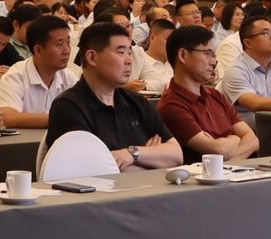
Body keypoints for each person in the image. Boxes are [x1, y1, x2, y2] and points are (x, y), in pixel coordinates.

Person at [45, 23, 184, 171]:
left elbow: (176, 155)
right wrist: (152, 157)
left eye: (129, 53)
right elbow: (92, 170)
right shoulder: (68, 107)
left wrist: (133, 154)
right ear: (92, 57)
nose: (129, 60)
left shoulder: (137, 102)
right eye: (121, 52)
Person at [157, 23, 262, 164]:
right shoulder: (171, 106)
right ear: (183, 55)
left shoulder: (216, 95)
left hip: (237, 172)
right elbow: (218, 150)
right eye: (207, 54)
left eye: (213, 55)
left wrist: (224, 159)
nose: (214, 62)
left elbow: (253, 140)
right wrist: (235, 138)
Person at [0, 16, 76, 129]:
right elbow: (9, 118)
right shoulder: (15, 76)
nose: (67, 50)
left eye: (68, 42)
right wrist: (63, 119)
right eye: (60, 44)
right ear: (38, 50)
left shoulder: (68, 77)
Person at [132, 18, 176, 92]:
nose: (172, 44)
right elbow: (131, 86)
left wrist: (145, 85)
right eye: (168, 40)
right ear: (152, 38)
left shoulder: (175, 62)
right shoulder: (139, 60)